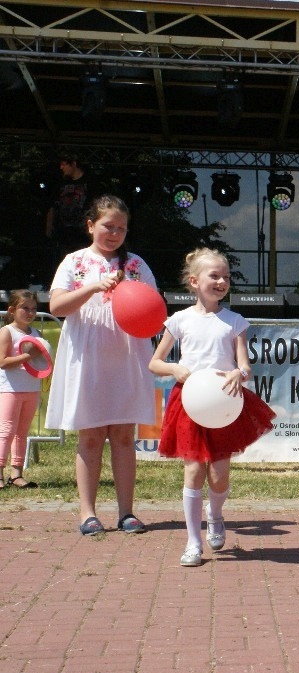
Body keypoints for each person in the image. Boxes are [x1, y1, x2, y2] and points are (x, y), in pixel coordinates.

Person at [149, 248, 276, 567]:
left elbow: (246, 366)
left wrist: (238, 372)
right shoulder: (179, 321)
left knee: (218, 476)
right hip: (189, 402)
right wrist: (175, 368)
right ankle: (193, 542)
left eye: (226, 277)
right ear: (194, 281)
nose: (221, 281)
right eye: (214, 276)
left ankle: (215, 516)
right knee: (192, 470)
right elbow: (154, 362)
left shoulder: (234, 321)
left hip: (224, 404)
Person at [45, 195, 156, 536]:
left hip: (125, 356)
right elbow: (57, 306)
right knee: (90, 436)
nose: (115, 233)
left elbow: (153, 308)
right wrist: (94, 286)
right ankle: (88, 514)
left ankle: (127, 513)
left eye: (122, 228)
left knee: (123, 436)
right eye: (108, 226)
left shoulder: (135, 264)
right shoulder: (74, 262)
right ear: (91, 225)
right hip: (87, 357)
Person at [0, 290, 44, 489]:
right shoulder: (7, 331)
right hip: (9, 388)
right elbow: (2, 362)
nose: (30, 312)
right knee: (6, 431)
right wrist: (28, 356)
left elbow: (43, 360)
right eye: (24, 308)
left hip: (31, 388)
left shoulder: (36, 333)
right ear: (12, 310)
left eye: (33, 309)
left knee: (22, 432)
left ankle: (16, 473)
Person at [44, 157, 91, 264]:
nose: (61, 168)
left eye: (64, 164)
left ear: (73, 164)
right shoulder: (60, 183)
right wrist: (49, 225)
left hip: (83, 234)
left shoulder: (90, 182)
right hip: (64, 233)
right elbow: (53, 206)